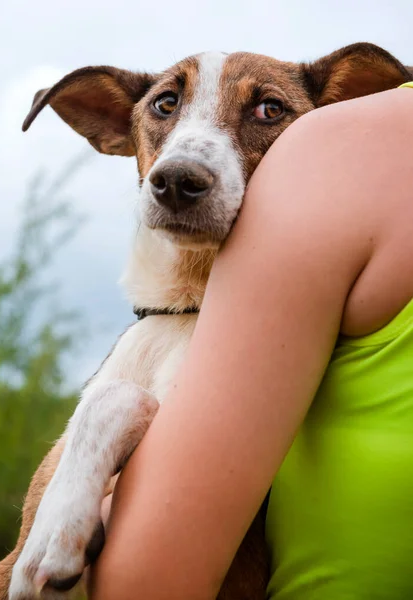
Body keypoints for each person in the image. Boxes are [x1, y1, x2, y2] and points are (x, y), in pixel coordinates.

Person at [89, 84, 413, 599]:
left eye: (268, 110)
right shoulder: (366, 143)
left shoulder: (347, 146)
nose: (177, 170)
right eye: (166, 106)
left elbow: (145, 581)